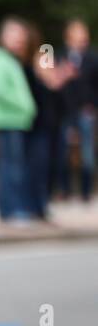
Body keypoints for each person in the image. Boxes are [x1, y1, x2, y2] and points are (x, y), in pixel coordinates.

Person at [0, 18, 37, 223]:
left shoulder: (6, 58)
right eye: (15, 36)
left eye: (22, 37)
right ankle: (11, 211)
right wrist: (23, 106)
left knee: (11, 166)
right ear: (4, 36)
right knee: (10, 168)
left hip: (14, 119)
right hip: (8, 119)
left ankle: (11, 210)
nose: (19, 41)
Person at [23, 23, 73, 221]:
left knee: (52, 163)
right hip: (40, 125)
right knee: (40, 165)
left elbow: (56, 90)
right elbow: (47, 86)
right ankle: (39, 205)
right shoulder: (29, 66)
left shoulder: (43, 61)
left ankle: (43, 203)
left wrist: (58, 79)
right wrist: (58, 77)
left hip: (53, 123)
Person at [58, 19, 98, 203]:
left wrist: (92, 106)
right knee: (63, 153)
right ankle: (64, 191)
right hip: (65, 112)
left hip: (85, 111)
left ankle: (86, 192)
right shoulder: (58, 56)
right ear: (68, 37)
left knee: (87, 154)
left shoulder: (92, 58)